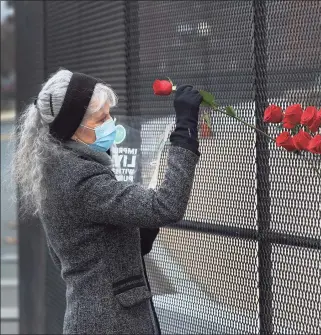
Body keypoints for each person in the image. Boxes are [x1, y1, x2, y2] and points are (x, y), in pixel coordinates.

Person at [12, 69, 203, 334]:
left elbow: (75, 253)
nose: (110, 122)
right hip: (108, 323)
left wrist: (135, 238)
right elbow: (167, 205)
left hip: (96, 317)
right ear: (74, 129)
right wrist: (185, 131)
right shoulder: (80, 178)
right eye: (101, 118)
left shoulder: (58, 170)